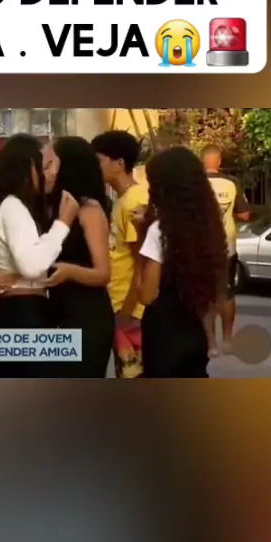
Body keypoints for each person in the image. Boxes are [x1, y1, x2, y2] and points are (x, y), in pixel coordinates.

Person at [0, 133, 79, 378]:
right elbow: (31, 266)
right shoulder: (13, 206)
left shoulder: (10, 205)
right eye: (46, 166)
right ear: (27, 170)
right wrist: (63, 223)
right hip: (23, 313)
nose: (53, 173)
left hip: (16, 313)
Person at [133, 146, 228, 378]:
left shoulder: (160, 231)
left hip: (164, 337)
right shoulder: (209, 228)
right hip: (194, 334)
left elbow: (146, 295)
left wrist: (140, 242)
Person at [45, 137, 115, 378]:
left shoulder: (90, 210)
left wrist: (68, 271)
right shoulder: (54, 206)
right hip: (59, 313)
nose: (48, 171)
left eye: (52, 163)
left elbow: (103, 274)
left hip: (87, 316)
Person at [91, 130, 147, 378]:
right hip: (118, 304)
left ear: (119, 163)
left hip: (130, 310)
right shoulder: (121, 201)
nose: (95, 168)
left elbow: (142, 261)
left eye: (99, 161)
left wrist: (128, 311)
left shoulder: (135, 200)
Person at [201, 145, 251, 355]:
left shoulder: (195, 183)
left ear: (202, 160)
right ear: (219, 161)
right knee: (227, 293)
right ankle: (228, 340)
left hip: (202, 247)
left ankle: (211, 345)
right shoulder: (232, 183)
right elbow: (245, 215)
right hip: (226, 247)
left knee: (206, 296)